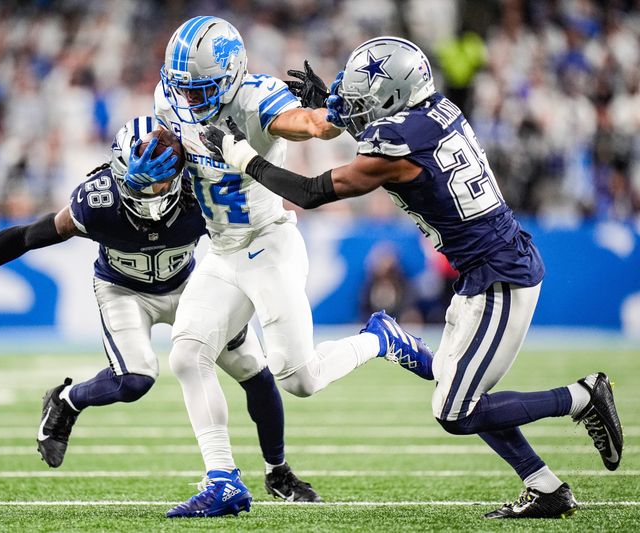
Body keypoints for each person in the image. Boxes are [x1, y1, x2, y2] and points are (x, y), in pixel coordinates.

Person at [201, 36, 624, 519]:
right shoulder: (435, 109)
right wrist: (330, 109)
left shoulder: (398, 145)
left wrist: (242, 157)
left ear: (392, 96)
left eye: (365, 99)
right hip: (488, 267)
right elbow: (375, 124)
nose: (358, 107)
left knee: (456, 409)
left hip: (500, 276)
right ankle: (545, 488)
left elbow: (313, 191)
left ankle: (582, 396)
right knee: (457, 387)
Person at [0, 115, 321, 505]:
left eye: (157, 184)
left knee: (254, 370)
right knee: (136, 379)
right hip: (123, 291)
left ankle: (278, 472)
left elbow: (254, 214)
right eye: (137, 184)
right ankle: (66, 400)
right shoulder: (95, 202)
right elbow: (27, 236)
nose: (148, 195)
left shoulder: (200, 191)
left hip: (191, 283)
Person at [132, 17, 434, 518]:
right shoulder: (172, 96)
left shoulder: (254, 98)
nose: (189, 99)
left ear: (229, 75)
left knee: (299, 378)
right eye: (183, 88)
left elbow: (314, 125)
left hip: (269, 243)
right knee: (186, 354)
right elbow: (173, 151)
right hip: (223, 250)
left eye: (201, 89)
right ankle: (224, 480)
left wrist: (329, 110)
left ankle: (381, 338)